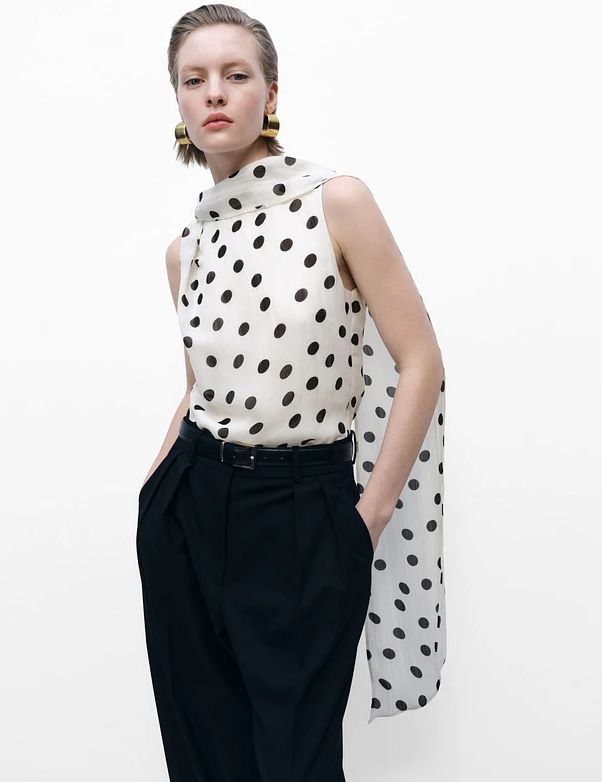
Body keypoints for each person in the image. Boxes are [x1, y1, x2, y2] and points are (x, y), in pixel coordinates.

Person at [136, 5, 448, 781]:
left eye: (235, 75)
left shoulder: (335, 202)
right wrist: (155, 491)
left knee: (296, 763)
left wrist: (367, 519)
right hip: (189, 509)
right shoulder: (186, 249)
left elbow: (421, 361)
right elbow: (199, 389)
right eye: (194, 79)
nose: (214, 92)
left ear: (270, 94)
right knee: (204, 762)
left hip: (304, 515)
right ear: (178, 101)